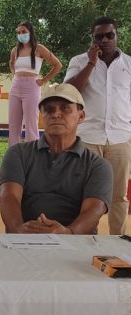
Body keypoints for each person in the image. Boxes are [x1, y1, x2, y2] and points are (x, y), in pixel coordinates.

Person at [0, 84, 111, 235]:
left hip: (75, 244)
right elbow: (9, 196)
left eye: (65, 108)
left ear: (81, 116)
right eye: (49, 109)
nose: (56, 114)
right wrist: (19, 230)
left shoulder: (97, 165)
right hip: (23, 241)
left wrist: (68, 233)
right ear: (41, 116)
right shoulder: (18, 153)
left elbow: (94, 209)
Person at [65, 16, 131, 235]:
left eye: (109, 35)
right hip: (88, 139)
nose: (104, 40)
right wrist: (91, 63)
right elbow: (70, 93)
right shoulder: (79, 61)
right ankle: (83, 240)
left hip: (121, 139)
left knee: (118, 196)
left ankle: (117, 240)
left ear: (116, 36)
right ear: (92, 39)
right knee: (82, 194)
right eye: (99, 36)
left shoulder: (129, 65)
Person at [8, 21, 62, 146]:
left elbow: (57, 65)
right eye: (19, 32)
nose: (21, 34)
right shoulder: (15, 50)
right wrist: (14, 74)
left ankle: (33, 157)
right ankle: (13, 157)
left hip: (32, 87)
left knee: (31, 125)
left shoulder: (39, 48)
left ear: (30, 32)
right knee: (14, 125)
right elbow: (11, 63)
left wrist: (43, 80)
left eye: (23, 32)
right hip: (16, 87)